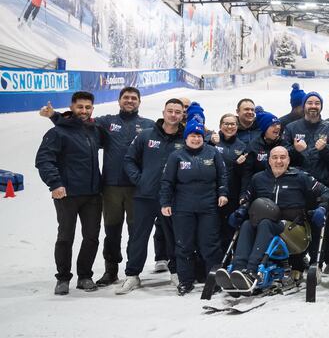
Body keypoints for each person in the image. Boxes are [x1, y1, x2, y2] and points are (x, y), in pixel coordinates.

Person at [39, 86, 155, 287]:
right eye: (125, 97)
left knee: (135, 232)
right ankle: (111, 271)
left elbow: (169, 136)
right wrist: (55, 116)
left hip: (137, 188)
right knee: (111, 232)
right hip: (109, 187)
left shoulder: (148, 126)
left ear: (139, 102)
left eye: (134, 98)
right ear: (118, 101)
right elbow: (77, 124)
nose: (130, 101)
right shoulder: (105, 123)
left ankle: (132, 272)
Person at [232, 146, 329, 284]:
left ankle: (252, 270)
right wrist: (242, 210)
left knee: (265, 223)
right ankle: (237, 270)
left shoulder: (300, 177)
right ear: (269, 161)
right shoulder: (258, 178)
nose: (278, 161)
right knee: (247, 224)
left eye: (282, 157)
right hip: (266, 226)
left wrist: (322, 208)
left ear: (289, 160)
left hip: (293, 229)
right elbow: (248, 199)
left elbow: (326, 192)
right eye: (274, 157)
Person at [35, 91, 103, 295]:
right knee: (65, 237)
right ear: (72, 107)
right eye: (80, 107)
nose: (84, 111)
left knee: (91, 237)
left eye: (88, 107)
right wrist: (55, 184)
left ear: (92, 109)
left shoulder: (94, 130)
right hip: (67, 194)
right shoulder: (57, 133)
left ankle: (85, 276)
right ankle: (63, 278)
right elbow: (44, 160)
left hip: (92, 195)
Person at [117, 99, 186, 294]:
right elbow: (129, 160)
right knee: (139, 236)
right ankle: (132, 275)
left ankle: (175, 272)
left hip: (172, 199)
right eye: (170, 111)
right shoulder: (146, 135)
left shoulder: (185, 139)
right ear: (164, 112)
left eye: (177, 112)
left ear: (182, 115)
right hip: (145, 196)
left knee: (173, 236)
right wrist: (140, 180)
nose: (173, 115)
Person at [159, 118, 227, 295]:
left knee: (210, 244)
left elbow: (223, 176)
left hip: (208, 207)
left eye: (199, 135)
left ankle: (214, 280)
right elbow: (167, 181)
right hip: (183, 208)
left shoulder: (212, 153)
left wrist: (223, 193)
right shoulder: (177, 156)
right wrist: (165, 202)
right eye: (192, 135)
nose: (196, 139)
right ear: (186, 137)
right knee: (184, 245)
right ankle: (185, 281)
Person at [283, 91, 329, 272]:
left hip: (324, 185)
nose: (313, 106)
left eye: (317, 103)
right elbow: (281, 154)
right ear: (304, 105)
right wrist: (295, 150)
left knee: (327, 223)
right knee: (299, 222)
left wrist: (325, 149)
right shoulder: (292, 127)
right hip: (298, 185)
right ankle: (300, 260)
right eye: (310, 103)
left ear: (321, 106)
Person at [210, 113, 247, 251]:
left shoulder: (242, 146)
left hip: (232, 193)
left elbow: (244, 174)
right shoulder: (212, 140)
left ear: (237, 127)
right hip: (212, 192)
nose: (229, 127)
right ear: (220, 125)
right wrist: (210, 143)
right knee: (212, 228)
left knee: (229, 227)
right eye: (226, 123)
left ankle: (230, 259)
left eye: (233, 124)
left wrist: (239, 166)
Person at [240, 110, 283, 196]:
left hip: (281, 187)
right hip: (261, 188)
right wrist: (243, 194)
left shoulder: (284, 143)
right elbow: (247, 173)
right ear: (265, 128)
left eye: (278, 124)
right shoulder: (253, 145)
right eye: (273, 125)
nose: (277, 127)